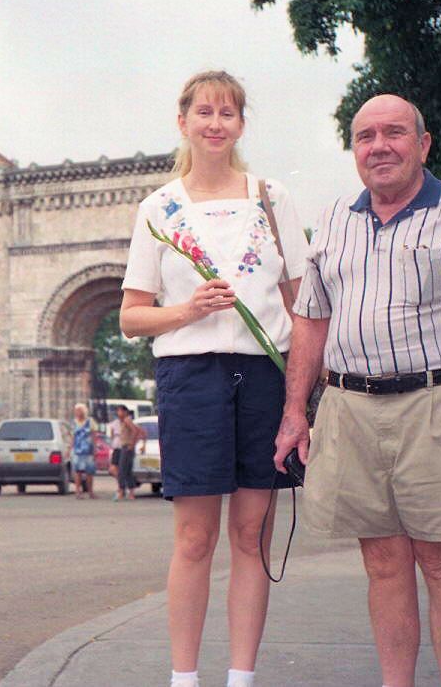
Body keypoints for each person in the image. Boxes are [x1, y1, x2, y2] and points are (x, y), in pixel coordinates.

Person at [275, 94, 441, 687]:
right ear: (354, 150)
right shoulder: (335, 219)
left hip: (440, 405)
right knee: (383, 563)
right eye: (366, 136)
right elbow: (310, 321)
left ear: (423, 144)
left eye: (394, 133)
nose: (379, 146)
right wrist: (294, 411)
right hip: (350, 408)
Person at [120, 70, 307, 687]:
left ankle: (241, 676)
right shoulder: (159, 208)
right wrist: (187, 311)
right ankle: (184, 677)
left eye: (227, 113)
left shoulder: (272, 199)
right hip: (190, 375)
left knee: (251, 536)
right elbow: (131, 316)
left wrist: (302, 398)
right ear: (183, 122)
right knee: (195, 538)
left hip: (265, 377)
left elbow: (303, 306)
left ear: (241, 124)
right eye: (204, 112)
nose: (215, 123)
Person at [113, 404, 146, 502]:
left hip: (127, 447)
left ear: (125, 412)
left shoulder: (127, 420)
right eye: (117, 411)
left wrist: (132, 444)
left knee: (122, 470)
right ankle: (131, 493)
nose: (118, 413)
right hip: (125, 447)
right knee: (127, 471)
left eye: (120, 411)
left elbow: (135, 431)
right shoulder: (126, 421)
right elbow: (141, 431)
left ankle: (121, 491)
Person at [71, 403, 98, 499]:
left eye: (79, 410)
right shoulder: (74, 422)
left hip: (88, 450)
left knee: (89, 472)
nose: (77, 412)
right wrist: (70, 449)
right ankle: (78, 492)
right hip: (77, 450)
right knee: (77, 472)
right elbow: (72, 437)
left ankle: (90, 492)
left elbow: (94, 436)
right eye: (76, 411)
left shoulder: (90, 421)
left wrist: (95, 449)